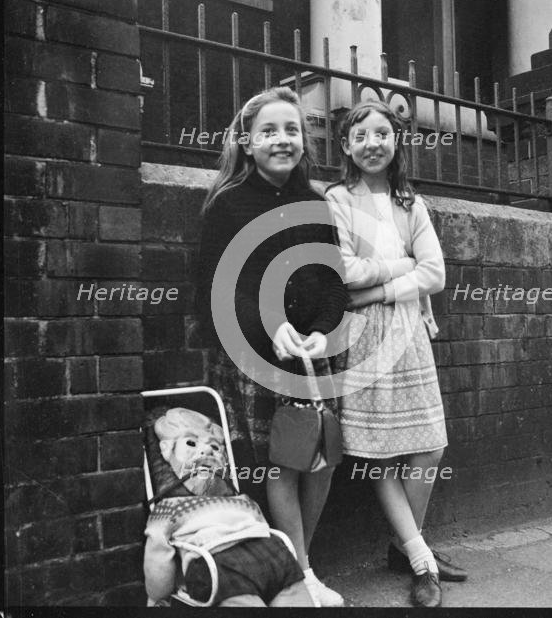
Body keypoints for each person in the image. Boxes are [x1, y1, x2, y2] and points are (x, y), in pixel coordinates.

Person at [194, 86, 347, 607]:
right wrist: (267, 325)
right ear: (247, 142)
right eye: (269, 131)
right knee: (282, 460)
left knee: (321, 457)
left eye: (292, 130)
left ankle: (306, 563)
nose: (282, 140)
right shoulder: (228, 205)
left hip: (314, 354)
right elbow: (215, 291)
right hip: (255, 354)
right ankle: (301, 572)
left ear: (304, 142)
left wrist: (324, 330)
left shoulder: (316, 204)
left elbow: (333, 285)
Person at [325, 100, 466, 607]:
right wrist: (399, 265)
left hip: (407, 329)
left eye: (382, 133)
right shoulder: (338, 198)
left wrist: (381, 283)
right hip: (364, 337)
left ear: (397, 140)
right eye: (360, 135)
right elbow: (343, 270)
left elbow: (437, 274)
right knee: (381, 453)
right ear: (346, 145)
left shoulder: (411, 202)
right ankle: (421, 560)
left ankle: (406, 545)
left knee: (429, 445)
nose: (372, 143)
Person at [143, 407, 314, 607]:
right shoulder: (173, 507)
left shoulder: (238, 500)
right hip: (248, 557)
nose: (206, 450)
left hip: (245, 558)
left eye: (215, 447)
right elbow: (158, 556)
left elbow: (158, 559)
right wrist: (158, 595)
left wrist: (156, 597)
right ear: (166, 450)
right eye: (191, 443)